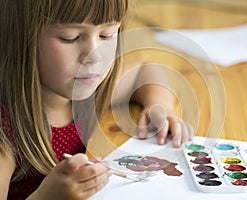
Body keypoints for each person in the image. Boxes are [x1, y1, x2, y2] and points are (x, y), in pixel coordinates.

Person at [0, 0, 194, 199]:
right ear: (18, 38)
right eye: (71, 38)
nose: (94, 56)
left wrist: (159, 106)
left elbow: (143, 70)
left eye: (106, 35)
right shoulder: (5, 133)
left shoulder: (92, 92)